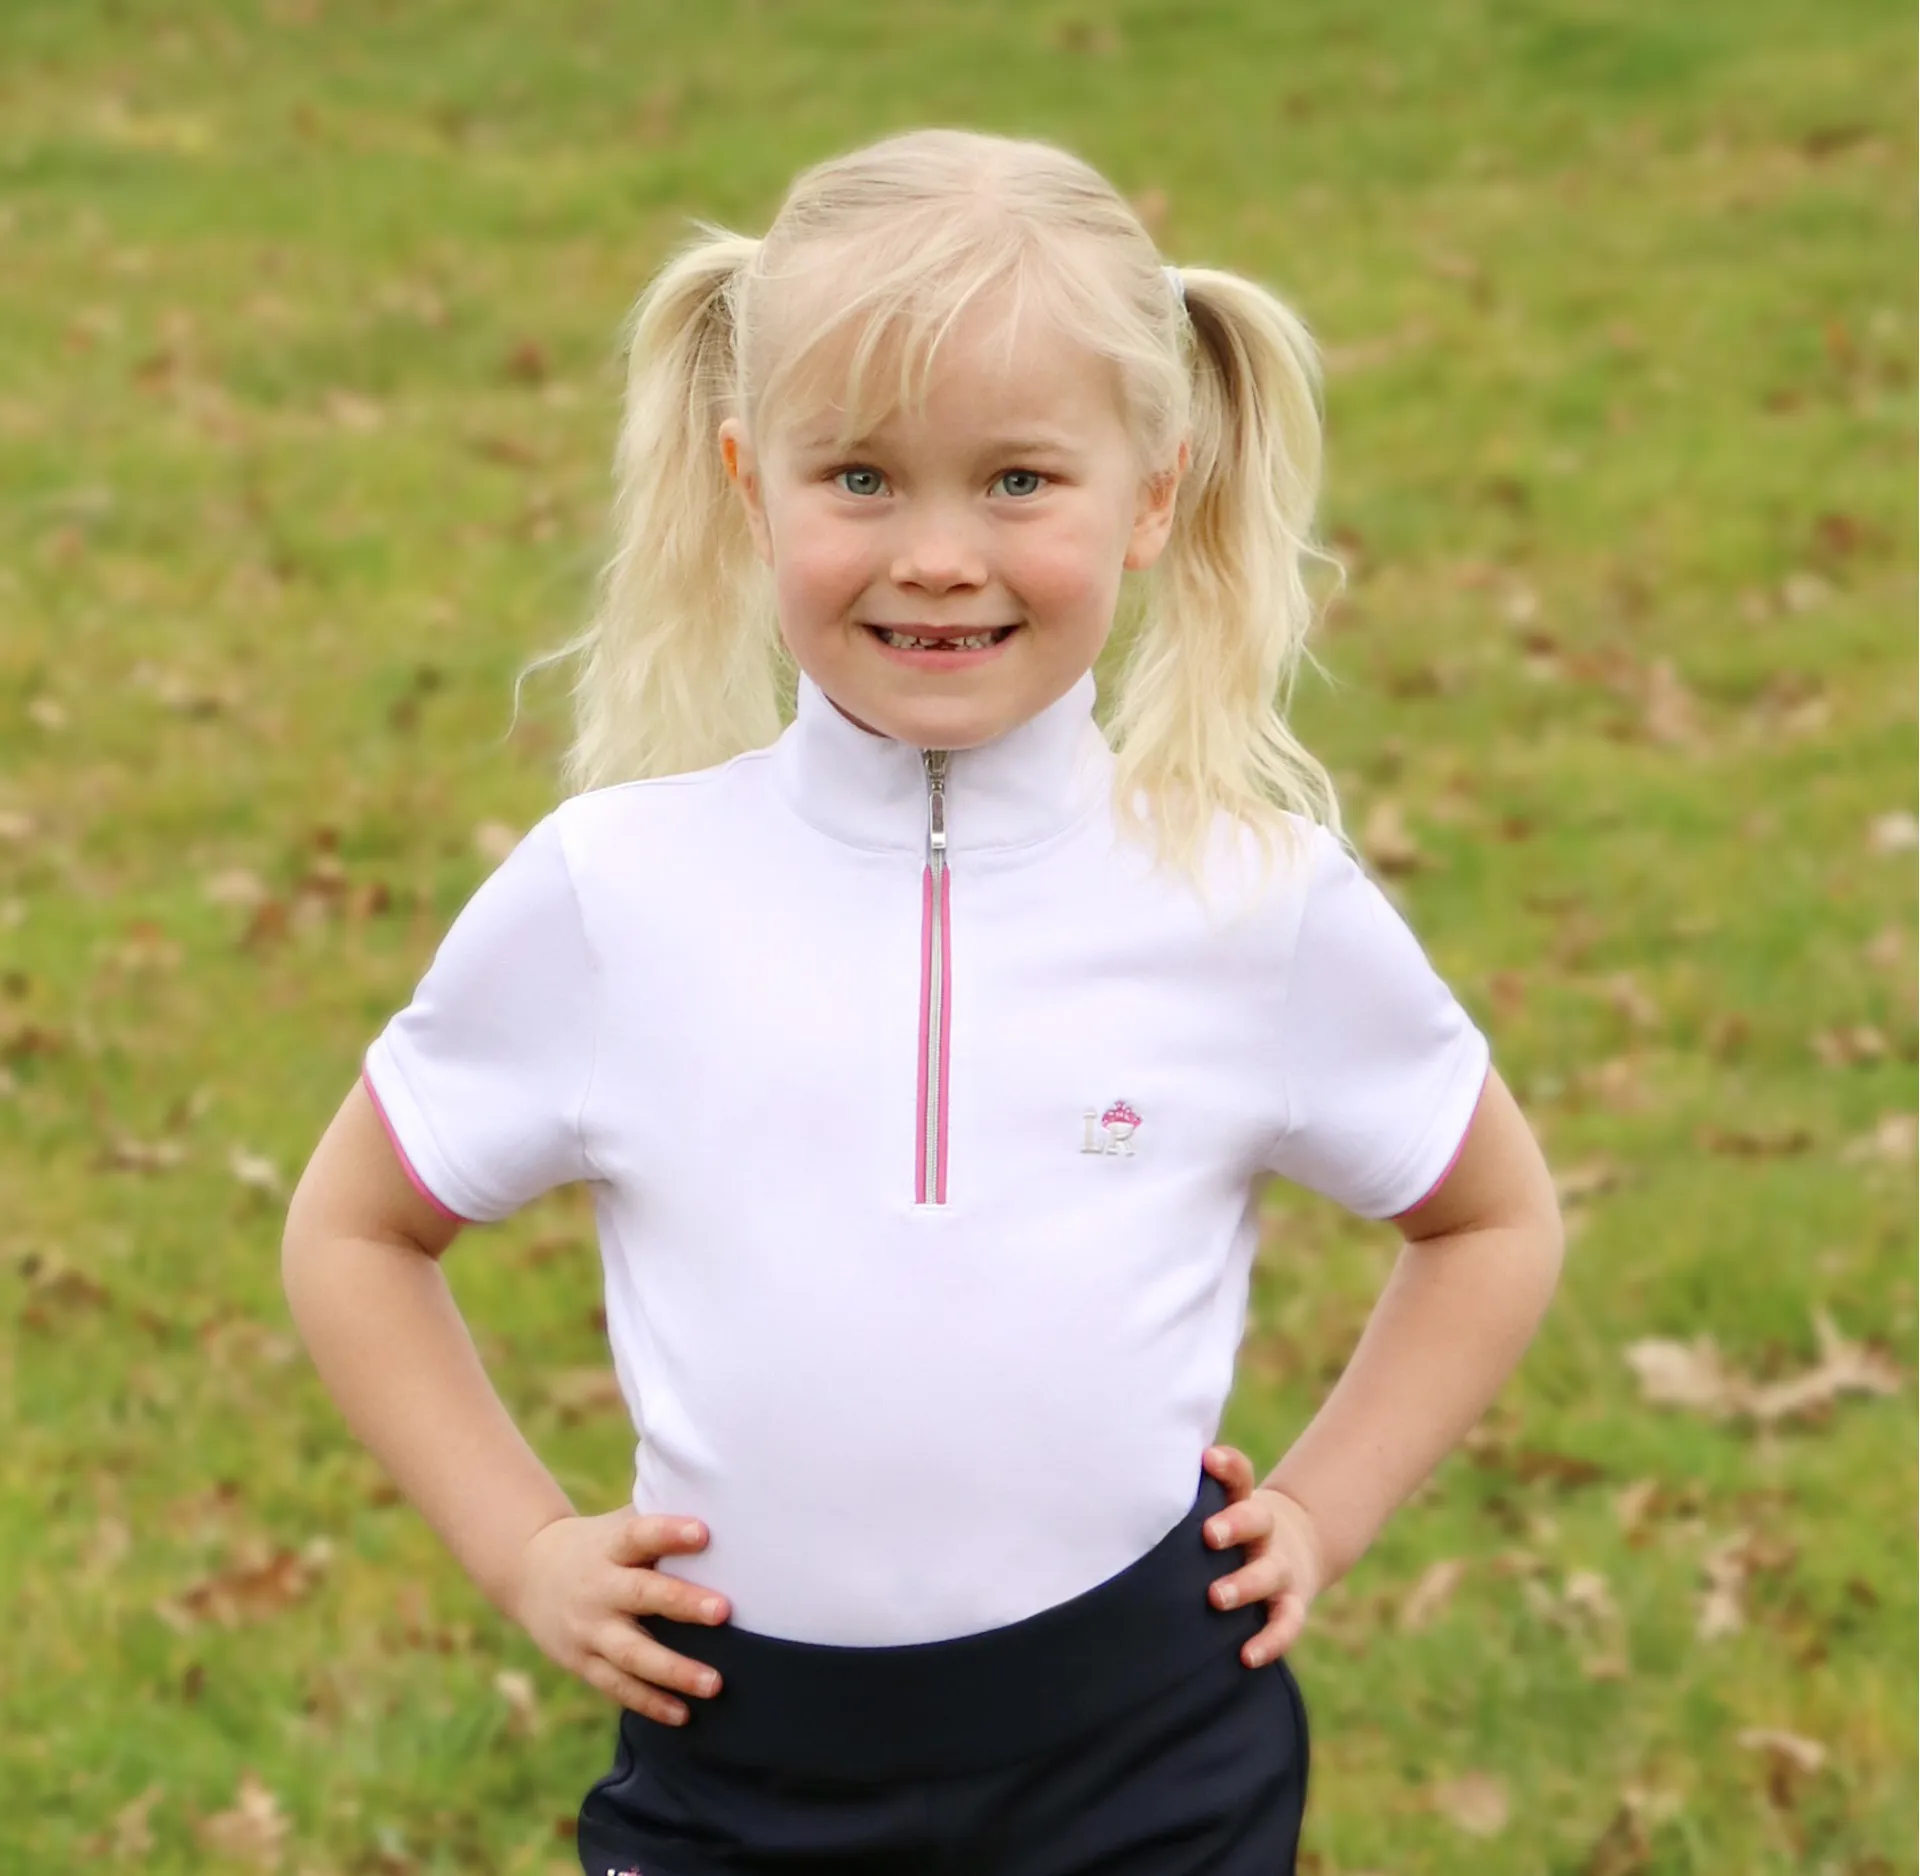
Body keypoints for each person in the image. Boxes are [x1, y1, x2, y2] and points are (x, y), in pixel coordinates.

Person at [281, 126, 1565, 1876]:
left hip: (1146, 1762)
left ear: (1156, 493)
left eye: (1020, 480)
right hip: (738, 1764)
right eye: (863, 479)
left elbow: (1490, 1216)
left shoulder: (1249, 897)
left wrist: (1323, 1513)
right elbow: (355, 1232)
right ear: (750, 485)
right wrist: (526, 1551)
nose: (941, 555)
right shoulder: (615, 892)